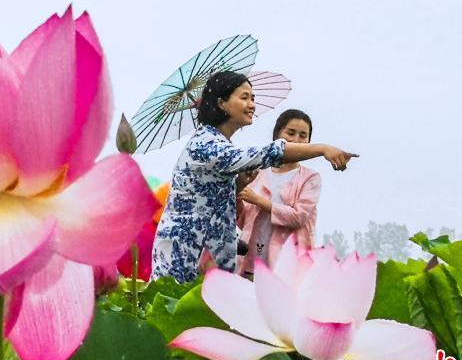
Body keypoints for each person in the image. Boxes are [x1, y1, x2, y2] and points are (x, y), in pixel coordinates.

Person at [150, 71, 357, 283]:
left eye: (253, 98)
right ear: (221, 103)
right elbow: (267, 153)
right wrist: (322, 149)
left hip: (207, 257)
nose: (252, 105)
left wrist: (238, 186)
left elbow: (210, 203)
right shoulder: (206, 145)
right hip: (182, 255)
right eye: (244, 97)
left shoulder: (218, 143)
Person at [237, 109, 320, 276]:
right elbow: (243, 220)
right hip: (249, 261)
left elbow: (299, 217)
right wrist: (238, 194)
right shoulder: (257, 172)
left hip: (288, 267)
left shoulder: (310, 178)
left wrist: (258, 200)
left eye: (303, 135)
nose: (296, 139)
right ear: (277, 136)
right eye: (290, 133)